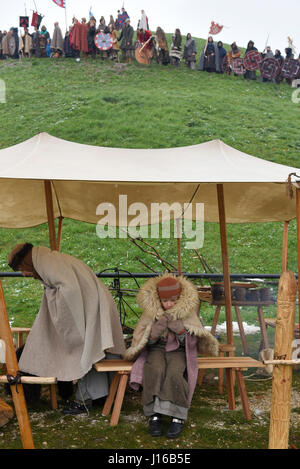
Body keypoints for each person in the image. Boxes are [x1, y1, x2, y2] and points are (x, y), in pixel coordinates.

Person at [8, 243, 126, 415]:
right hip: (95, 305)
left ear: (27, 261)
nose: (24, 274)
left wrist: (64, 327)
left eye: (22, 269)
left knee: (84, 350)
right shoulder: (50, 261)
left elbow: (70, 292)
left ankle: (84, 400)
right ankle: (101, 396)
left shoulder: (49, 263)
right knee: (93, 350)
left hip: (91, 308)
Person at [124, 275, 219, 439]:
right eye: (165, 300)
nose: (169, 304)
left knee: (174, 373)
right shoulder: (151, 313)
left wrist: (181, 331)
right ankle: (154, 415)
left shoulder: (186, 313)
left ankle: (178, 416)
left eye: (173, 300)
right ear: (158, 299)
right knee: (155, 369)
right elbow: (142, 338)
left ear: (180, 297)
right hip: (157, 349)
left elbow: (193, 340)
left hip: (179, 350)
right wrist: (155, 332)